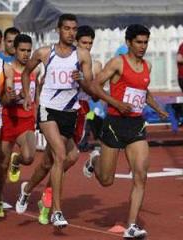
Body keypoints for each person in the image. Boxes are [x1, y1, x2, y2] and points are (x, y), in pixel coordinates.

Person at [83, 24, 168, 238]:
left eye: (145, 42)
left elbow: (143, 90)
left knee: (141, 175)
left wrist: (158, 109)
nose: (142, 46)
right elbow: (94, 85)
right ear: (129, 42)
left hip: (136, 125)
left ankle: (132, 226)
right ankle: (94, 160)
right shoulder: (117, 63)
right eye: (138, 42)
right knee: (106, 180)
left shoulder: (147, 65)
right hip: (114, 124)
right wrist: (116, 103)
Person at [15, 13, 93, 228]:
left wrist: (82, 80)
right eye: (67, 28)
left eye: (74, 29)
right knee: (60, 155)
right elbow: (26, 73)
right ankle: (56, 211)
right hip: (48, 110)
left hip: (70, 112)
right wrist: (27, 95)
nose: (71, 33)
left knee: (59, 159)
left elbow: (89, 85)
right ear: (58, 30)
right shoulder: (44, 53)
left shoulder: (83, 55)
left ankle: (27, 189)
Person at [37, 25, 103, 225]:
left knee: (69, 157)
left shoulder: (95, 64)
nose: (88, 46)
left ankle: (47, 196)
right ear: (76, 42)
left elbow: (94, 93)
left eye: (91, 43)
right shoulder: (63, 59)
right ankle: (33, 192)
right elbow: (43, 82)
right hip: (56, 110)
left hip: (79, 112)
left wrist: (87, 82)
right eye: (84, 43)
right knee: (53, 159)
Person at [0, 34, 39, 218]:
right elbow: (2, 99)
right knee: (1, 164)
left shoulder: (36, 70)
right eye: (22, 50)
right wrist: (12, 98)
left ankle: (17, 160)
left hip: (27, 120)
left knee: (28, 157)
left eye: (29, 50)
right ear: (15, 50)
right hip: (8, 120)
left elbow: (37, 95)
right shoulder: (7, 70)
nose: (26, 54)